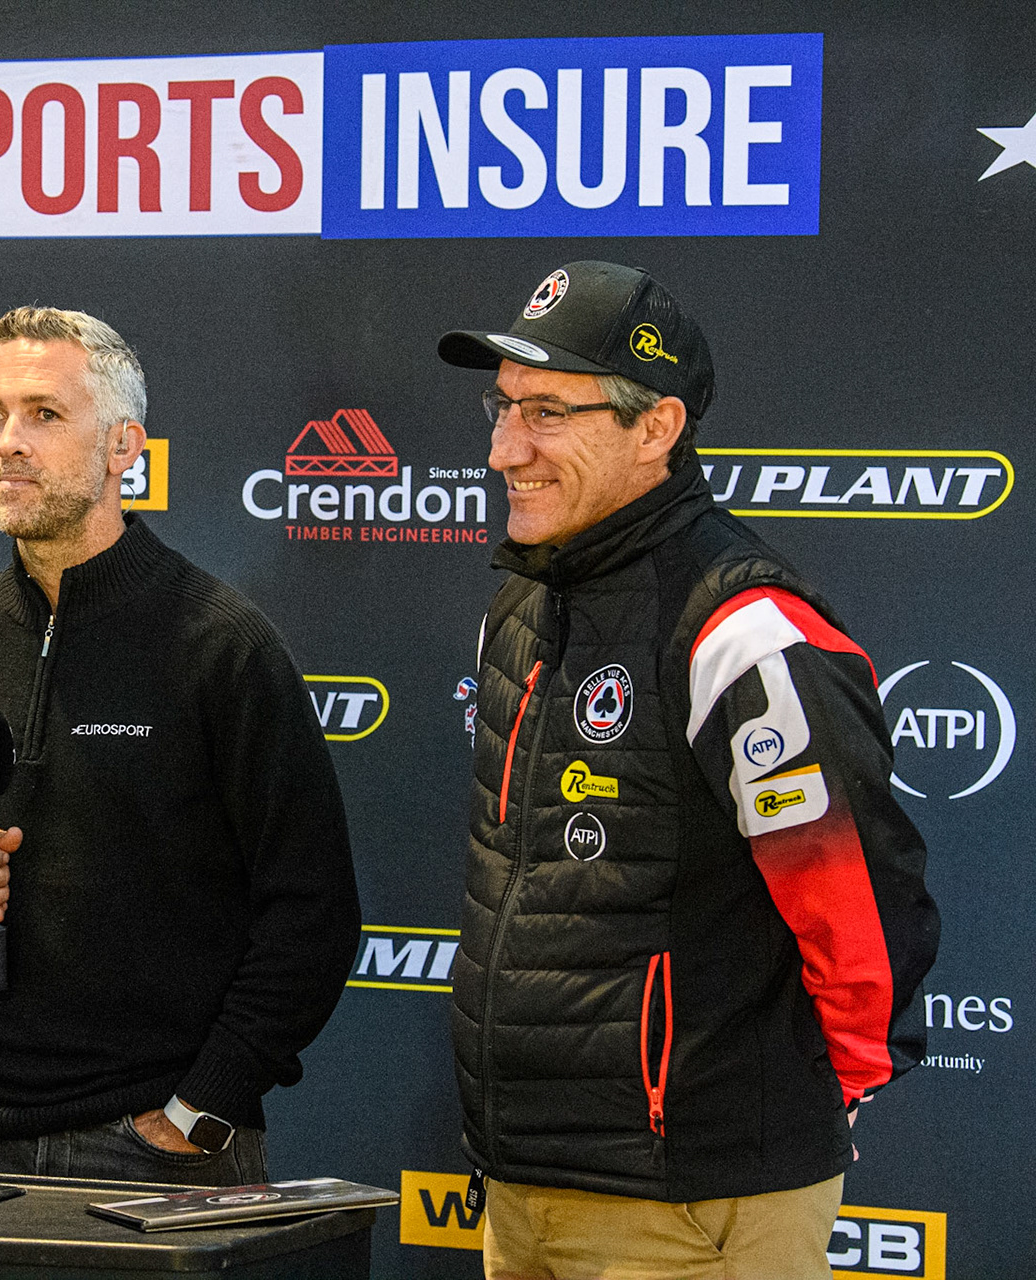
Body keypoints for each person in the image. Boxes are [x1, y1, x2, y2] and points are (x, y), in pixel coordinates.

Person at [438, 262, 939, 1279]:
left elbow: (860, 904)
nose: (504, 448)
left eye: (547, 412)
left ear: (656, 427)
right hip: (522, 1181)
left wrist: (789, 1114)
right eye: (502, 407)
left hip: (692, 1198)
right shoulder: (524, 603)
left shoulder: (743, 627)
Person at [0, 306, 360, 1184]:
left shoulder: (221, 646)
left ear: (125, 446)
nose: (8, 442)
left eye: (44, 414)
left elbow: (312, 911)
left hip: (152, 1145)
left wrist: (202, 1107)